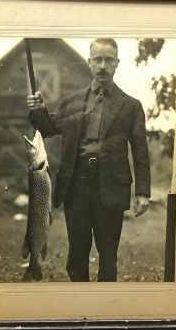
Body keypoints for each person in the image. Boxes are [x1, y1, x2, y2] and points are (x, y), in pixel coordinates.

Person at [26, 38, 151, 282]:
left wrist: (143, 192)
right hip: (76, 187)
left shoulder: (131, 106)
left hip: (112, 188)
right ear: (90, 62)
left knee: (108, 258)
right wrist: (39, 110)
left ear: (117, 64)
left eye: (109, 60)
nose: (103, 65)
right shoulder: (71, 102)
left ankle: (106, 311)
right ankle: (80, 308)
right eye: (98, 60)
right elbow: (48, 129)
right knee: (76, 257)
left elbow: (140, 150)